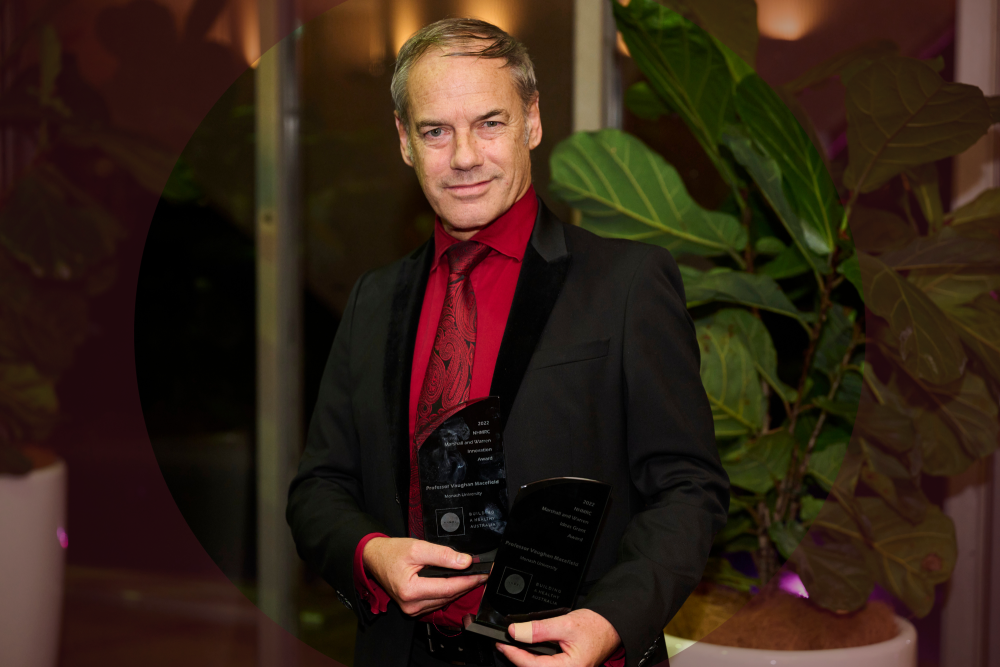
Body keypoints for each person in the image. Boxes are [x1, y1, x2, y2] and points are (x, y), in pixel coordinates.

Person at [286, 18, 728, 667]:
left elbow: (689, 489)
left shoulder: (627, 284)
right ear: (405, 141)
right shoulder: (371, 300)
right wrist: (372, 553)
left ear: (533, 121)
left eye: (489, 122)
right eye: (436, 130)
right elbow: (317, 489)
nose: (463, 155)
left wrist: (610, 620)